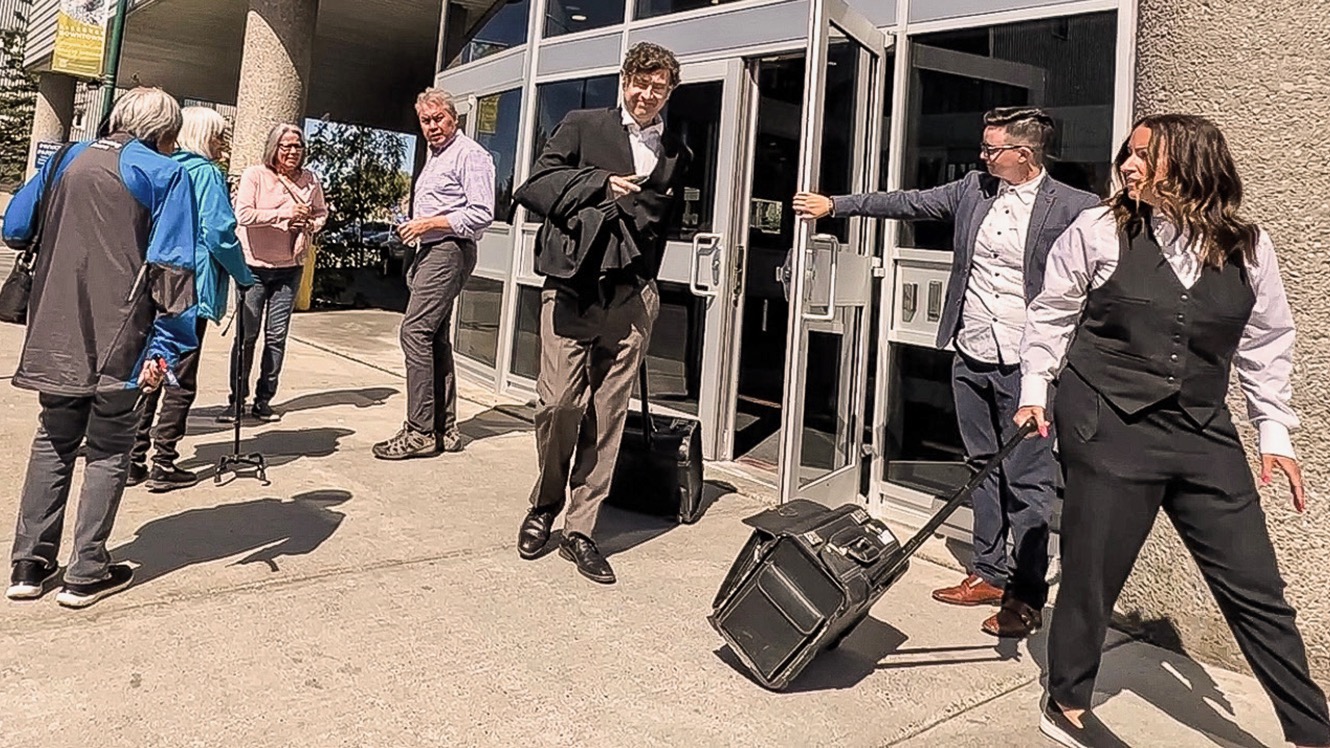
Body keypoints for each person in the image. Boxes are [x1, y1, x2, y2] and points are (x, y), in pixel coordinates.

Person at [1016, 114, 1330, 748]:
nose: (1127, 167)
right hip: (1110, 422)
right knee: (1092, 573)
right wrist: (1033, 392)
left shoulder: (1249, 245)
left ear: (1193, 164)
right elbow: (1050, 315)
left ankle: (1310, 730)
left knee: (1256, 585)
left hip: (1203, 432)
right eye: (1126, 156)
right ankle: (1066, 700)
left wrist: (1275, 434)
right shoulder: (1099, 229)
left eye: (1144, 157)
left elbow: (1268, 342)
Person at [793, 107, 1100, 637]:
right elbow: (906, 201)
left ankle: (1024, 594)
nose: (981, 157)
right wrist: (836, 205)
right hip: (972, 350)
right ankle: (987, 570)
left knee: (1029, 480)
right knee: (981, 464)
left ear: (1023, 155)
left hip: (1031, 366)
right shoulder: (973, 190)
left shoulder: (1077, 207)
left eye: (991, 149)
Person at [3, 87, 199, 608]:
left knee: (54, 437)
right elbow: (174, 270)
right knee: (111, 445)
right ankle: (86, 570)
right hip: (124, 337)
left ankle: (29, 563)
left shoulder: (66, 157)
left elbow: (15, 228)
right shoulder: (165, 173)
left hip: (55, 329)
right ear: (164, 132)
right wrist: (168, 349)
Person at [511, 42, 692, 584]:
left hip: (633, 296)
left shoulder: (676, 148)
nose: (648, 94)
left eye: (659, 87)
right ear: (625, 80)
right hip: (572, 288)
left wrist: (648, 277)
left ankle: (581, 527)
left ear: (669, 92)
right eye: (641, 82)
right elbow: (534, 186)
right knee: (561, 404)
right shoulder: (583, 123)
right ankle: (544, 503)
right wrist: (598, 184)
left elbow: (667, 219)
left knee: (608, 416)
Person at [130, 106, 256, 491]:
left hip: (155, 283)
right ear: (204, 137)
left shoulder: (164, 168)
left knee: (153, 366)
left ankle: (133, 456)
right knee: (180, 375)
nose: (224, 145)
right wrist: (243, 275)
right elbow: (219, 232)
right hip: (191, 285)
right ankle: (163, 461)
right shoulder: (206, 175)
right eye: (220, 136)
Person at [373, 88, 495, 460]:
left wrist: (429, 224)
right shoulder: (435, 157)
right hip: (430, 250)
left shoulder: (470, 154)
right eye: (426, 121)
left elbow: (481, 212)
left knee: (414, 331)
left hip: (449, 250)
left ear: (453, 118)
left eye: (438, 119)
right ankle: (443, 428)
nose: (432, 127)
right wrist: (415, 227)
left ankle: (419, 431)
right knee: (434, 337)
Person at [222, 122, 327, 423]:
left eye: (298, 146)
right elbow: (243, 215)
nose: (293, 151)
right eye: (287, 146)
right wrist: (284, 214)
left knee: (276, 336)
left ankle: (264, 399)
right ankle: (235, 401)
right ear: (274, 148)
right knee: (246, 335)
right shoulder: (255, 175)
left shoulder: (310, 180)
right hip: (253, 266)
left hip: (289, 267)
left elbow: (321, 213)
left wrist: (310, 224)